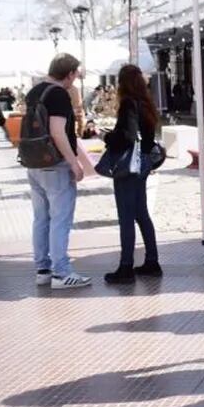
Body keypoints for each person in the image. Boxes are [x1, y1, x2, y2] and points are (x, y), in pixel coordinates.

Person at [26, 53, 91, 289]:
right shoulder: (58, 94)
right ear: (70, 73)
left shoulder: (35, 91)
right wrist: (74, 162)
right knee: (60, 219)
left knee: (41, 218)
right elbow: (57, 131)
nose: (75, 79)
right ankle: (61, 273)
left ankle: (42, 269)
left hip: (34, 161)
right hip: (55, 163)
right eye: (75, 74)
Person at [101, 65, 162, 284]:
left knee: (126, 216)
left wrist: (107, 137)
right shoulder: (146, 104)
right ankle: (152, 261)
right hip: (143, 164)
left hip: (129, 167)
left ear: (123, 83)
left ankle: (126, 266)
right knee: (141, 214)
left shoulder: (128, 104)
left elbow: (126, 136)